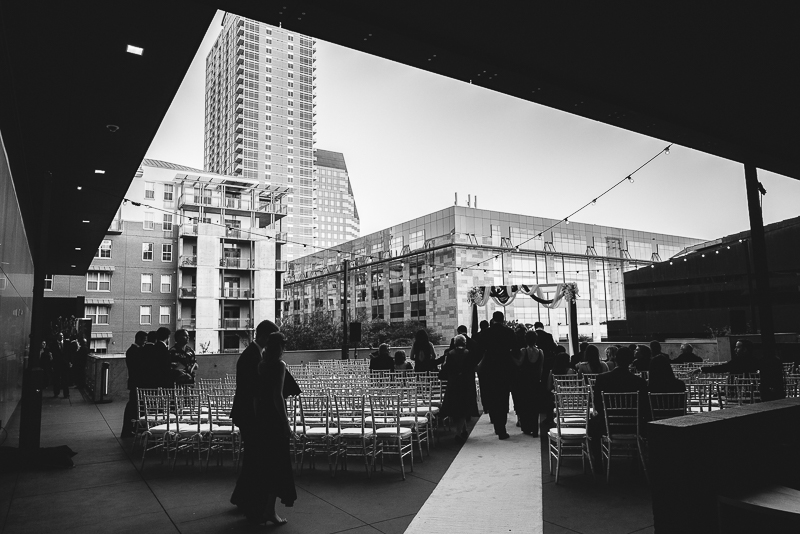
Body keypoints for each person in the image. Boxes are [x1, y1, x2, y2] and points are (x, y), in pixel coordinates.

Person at [231, 320, 280, 514]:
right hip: (248, 413)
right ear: (265, 336)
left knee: (252, 456)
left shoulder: (253, 353)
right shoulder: (252, 355)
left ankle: (241, 497)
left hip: (246, 412)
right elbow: (252, 389)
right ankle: (244, 499)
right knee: (253, 456)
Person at [249, 331, 296, 524]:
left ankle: (266, 510)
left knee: (265, 465)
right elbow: (277, 395)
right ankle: (270, 511)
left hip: (262, 417)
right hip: (275, 419)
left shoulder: (261, 365)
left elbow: (256, 396)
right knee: (278, 465)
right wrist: (286, 423)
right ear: (281, 347)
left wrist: (257, 417)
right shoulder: (280, 365)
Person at [588, 346, 648, 463]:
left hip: (607, 423)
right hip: (633, 425)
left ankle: (598, 462)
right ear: (630, 361)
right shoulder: (639, 382)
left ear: (616, 359)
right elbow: (644, 405)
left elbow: (597, 404)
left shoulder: (602, 379)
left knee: (591, 426)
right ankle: (637, 460)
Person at [477, 311, 515, 439]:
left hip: (489, 367)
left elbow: (480, 350)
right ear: (503, 319)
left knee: (492, 395)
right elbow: (514, 350)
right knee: (503, 397)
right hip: (504, 367)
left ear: (493, 320)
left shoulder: (486, 333)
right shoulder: (509, 332)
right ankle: (502, 428)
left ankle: (495, 420)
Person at [440, 335, 479, 443]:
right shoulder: (469, 353)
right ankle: (458, 433)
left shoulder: (450, 354)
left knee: (458, 407)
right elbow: (474, 368)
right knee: (463, 407)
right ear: (464, 342)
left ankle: (464, 430)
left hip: (454, 383)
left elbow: (446, 369)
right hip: (466, 383)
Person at [511, 330, 543, 436]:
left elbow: (519, 363)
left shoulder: (524, 350)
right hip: (535, 381)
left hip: (524, 381)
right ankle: (535, 428)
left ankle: (526, 427)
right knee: (534, 406)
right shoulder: (540, 352)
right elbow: (540, 369)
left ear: (526, 339)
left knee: (525, 404)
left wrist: (511, 356)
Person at [121, 331, 147, 437]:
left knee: (134, 406)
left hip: (134, 382)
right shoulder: (134, 351)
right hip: (137, 382)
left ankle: (130, 428)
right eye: (144, 340)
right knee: (133, 406)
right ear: (139, 339)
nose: (145, 343)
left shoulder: (131, 350)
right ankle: (129, 429)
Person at [534, 321, 559, 388]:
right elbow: (553, 347)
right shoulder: (548, 335)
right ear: (543, 327)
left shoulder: (533, 335)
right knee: (545, 376)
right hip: (547, 359)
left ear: (535, 327)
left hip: (535, 358)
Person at [50, 333, 71, 398]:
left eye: (62, 336)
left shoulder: (67, 343)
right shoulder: (53, 344)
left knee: (65, 379)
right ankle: (56, 393)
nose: (61, 337)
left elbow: (69, 353)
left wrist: (69, 362)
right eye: (60, 336)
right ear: (57, 337)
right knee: (56, 379)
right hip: (57, 364)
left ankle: (66, 394)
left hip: (65, 364)